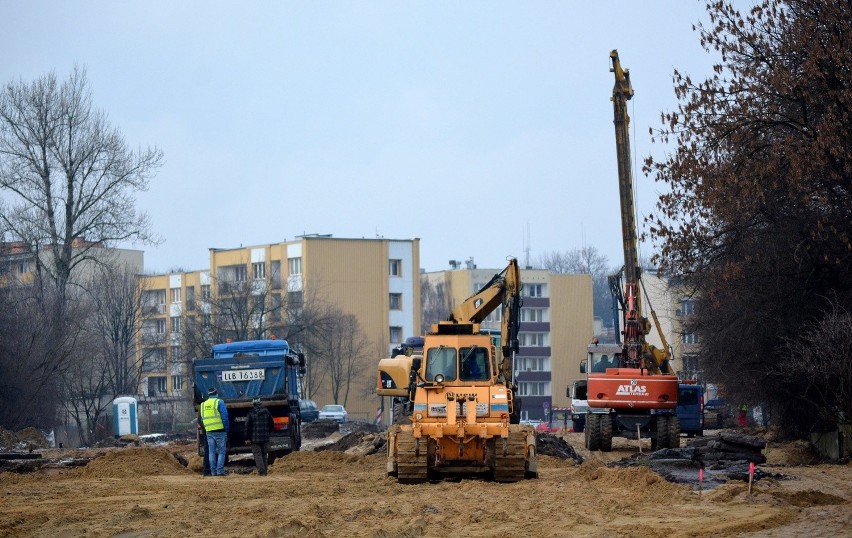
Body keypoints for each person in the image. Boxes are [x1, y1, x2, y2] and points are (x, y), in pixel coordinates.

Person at [199, 387, 229, 476]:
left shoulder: (203, 404)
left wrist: (207, 428)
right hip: (220, 430)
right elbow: (225, 416)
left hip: (209, 431)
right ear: (216, 394)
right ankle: (220, 471)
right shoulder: (219, 402)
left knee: (211, 451)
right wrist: (226, 428)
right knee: (221, 451)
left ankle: (213, 472)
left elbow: (201, 419)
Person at [244, 397, 275, 476]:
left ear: (253, 404)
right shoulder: (267, 412)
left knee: (257, 454)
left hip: (255, 438)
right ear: (260, 403)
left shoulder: (251, 413)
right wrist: (268, 432)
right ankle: (265, 471)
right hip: (265, 437)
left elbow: (247, 426)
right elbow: (272, 424)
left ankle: (261, 471)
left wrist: (247, 437)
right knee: (264, 454)